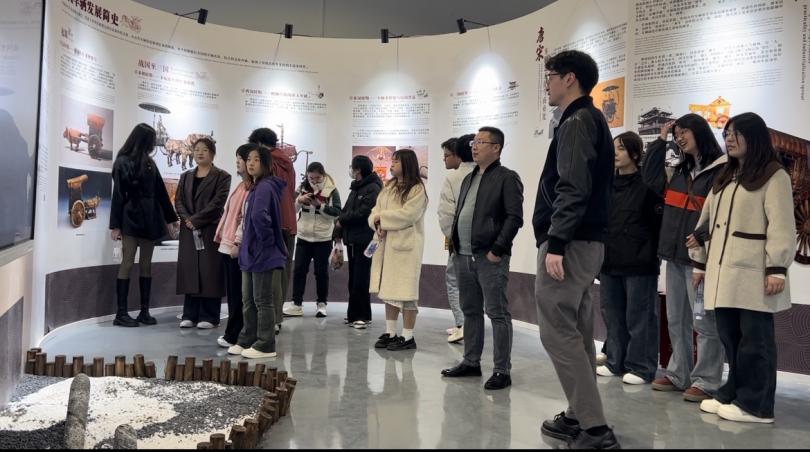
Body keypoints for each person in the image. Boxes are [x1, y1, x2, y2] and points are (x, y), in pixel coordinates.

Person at [533, 50, 619, 448]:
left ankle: (595, 429)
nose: (547, 84)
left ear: (569, 78)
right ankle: (578, 413)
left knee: (557, 332)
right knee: (577, 331)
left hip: (570, 244)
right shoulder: (589, 119)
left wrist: (557, 241)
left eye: (550, 75)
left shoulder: (578, 121)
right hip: (585, 242)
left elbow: (572, 187)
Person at [689, 112, 795, 423]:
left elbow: (782, 226)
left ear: (755, 136)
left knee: (755, 342)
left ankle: (757, 405)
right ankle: (734, 391)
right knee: (731, 338)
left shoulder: (774, 175)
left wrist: (776, 268)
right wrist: (699, 261)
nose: (729, 139)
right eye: (726, 133)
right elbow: (705, 223)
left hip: (753, 274)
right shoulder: (726, 176)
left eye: (736, 133)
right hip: (723, 274)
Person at [641, 113, 727, 401]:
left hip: (701, 262)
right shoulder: (679, 171)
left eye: (683, 132)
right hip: (674, 257)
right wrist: (660, 140)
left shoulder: (721, 171)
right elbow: (649, 179)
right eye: (676, 134)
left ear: (699, 132)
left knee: (704, 322)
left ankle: (707, 381)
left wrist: (702, 236)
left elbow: (723, 214)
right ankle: (679, 374)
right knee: (676, 319)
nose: (679, 138)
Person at [440, 126, 524, 390]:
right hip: (463, 255)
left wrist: (497, 249)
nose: (474, 146)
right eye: (473, 142)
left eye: (481, 142)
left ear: (496, 148)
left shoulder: (507, 177)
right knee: (470, 311)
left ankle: (502, 370)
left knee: (497, 313)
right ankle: (471, 361)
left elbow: (514, 218)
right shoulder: (469, 178)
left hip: (489, 257)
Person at [596, 131, 663, 385]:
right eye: (614, 147)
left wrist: (651, 255)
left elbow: (657, 226)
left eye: (621, 148)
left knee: (640, 317)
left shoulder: (648, 185)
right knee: (612, 315)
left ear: (635, 154)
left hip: (640, 262)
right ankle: (616, 361)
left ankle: (641, 367)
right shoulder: (606, 184)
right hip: (609, 260)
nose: (615, 153)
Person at [109, 123, 178, 327]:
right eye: (151, 140)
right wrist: (116, 225)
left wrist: (171, 218)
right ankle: (121, 313)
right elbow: (118, 195)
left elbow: (161, 192)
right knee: (128, 261)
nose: (153, 144)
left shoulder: (149, 163)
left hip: (149, 217)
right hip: (131, 217)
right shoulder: (122, 163)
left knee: (146, 264)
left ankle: (144, 312)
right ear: (144, 141)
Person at [229, 145, 287, 359]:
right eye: (249, 159)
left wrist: (265, 243)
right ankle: (247, 338)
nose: (251, 163)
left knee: (262, 300)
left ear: (266, 163)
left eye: (256, 159)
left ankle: (265, 344)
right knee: (249, 299)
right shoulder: (255, 187)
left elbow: (260, 217)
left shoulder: (265, 187)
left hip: (261, 252)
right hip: (250, 252)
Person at [369, 149, 429, 350]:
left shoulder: (417, 189)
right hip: (387, 245)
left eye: (396, 161)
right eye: (392, 160)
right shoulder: (389, 187)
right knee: (389, 290)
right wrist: (376, 222)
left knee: (407, 293)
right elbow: (375, 211)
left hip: (407, 249)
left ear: (407, 163)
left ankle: (408, 336)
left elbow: (408, 215)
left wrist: (382, 219)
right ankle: (390, 332)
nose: (392, 164)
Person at [175, 137, 231, 329]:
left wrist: (196, 220)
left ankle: (210, 315)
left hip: (210, 229)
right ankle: (189, 314)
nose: (199, 153)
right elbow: (178, 201)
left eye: (205, 150)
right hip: (188, 231)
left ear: (212, 154)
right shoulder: (185, 176)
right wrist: (188, 220)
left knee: (209, 272)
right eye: (197, 149)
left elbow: (217, 203)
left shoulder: (222, 176)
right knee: (190, 270)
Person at [248, 128, 296, 334]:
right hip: (289, 222)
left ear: (259, 144)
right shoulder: (287, 162)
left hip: (272, 222)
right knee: (282, 273)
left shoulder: (268, 162)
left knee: (269, 273)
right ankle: (277, 318)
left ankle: (270, 320)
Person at [283, 162, 342, 317]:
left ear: (323, 175)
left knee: (321, 272)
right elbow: (290, 210)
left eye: (317, 178)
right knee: (299, 270)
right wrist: (299, 201)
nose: (314, 181)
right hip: (304, 236)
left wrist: (319, 206)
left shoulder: (331, 190)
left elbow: (337, 213)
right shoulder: (302, 187)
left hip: (323, 238)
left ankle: (322, 304)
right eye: (311, 178)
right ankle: (296, 304)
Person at [335, 156, 383, 329]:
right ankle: (355, 314)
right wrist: (339, 224)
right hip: (353, 240)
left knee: (361, 279)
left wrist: (342, 220)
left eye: (352, 167)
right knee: (354, 278)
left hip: (365, 240)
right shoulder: (356, 188)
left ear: (359, 169)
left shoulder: (373, 188)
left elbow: (364, 213)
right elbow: (346, 210)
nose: (351, 170)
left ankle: (360, 316)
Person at [213, 144, 253, 347]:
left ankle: (234, 335)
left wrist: (236, 242)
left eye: (241, 158)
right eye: (237, 157)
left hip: (238, 247)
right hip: (228, 245)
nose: (237, 162)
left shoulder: (252, 189)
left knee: (238, 294)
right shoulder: (240, 186)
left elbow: (243, 219)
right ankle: (233, 333)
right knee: (234, 292)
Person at [437, 135, 476, 343]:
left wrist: (451, 237)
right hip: (484, 243)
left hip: (460, 240)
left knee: (453, 280)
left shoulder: (453, 178)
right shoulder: (488, 174)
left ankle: (462, 324)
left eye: (447, 155)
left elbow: (446, 214)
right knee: (477, 284)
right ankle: (470, 324)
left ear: (458, 154)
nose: (444, 159)